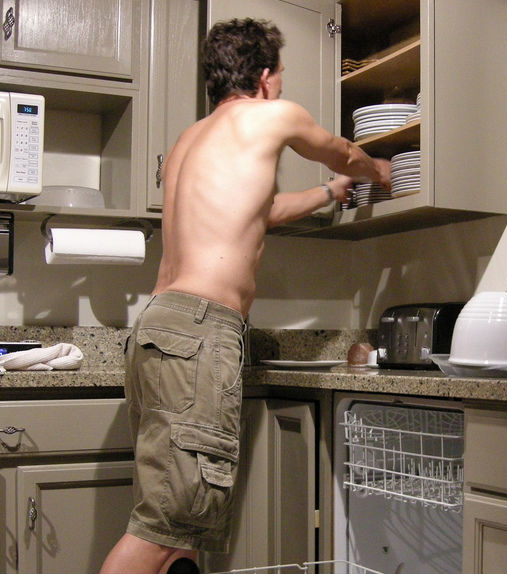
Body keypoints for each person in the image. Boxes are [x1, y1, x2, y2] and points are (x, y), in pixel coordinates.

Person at [101, 18, 391, 574]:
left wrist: (326, 194)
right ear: (263, 77)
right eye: (280, 75)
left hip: (157, 329)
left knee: (178, 524)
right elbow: (341, 151)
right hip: (200, 331)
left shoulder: (189, 141)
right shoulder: (271, 114)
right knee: (164, 527)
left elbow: (262, 210)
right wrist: (374, 169)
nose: (281, 86)